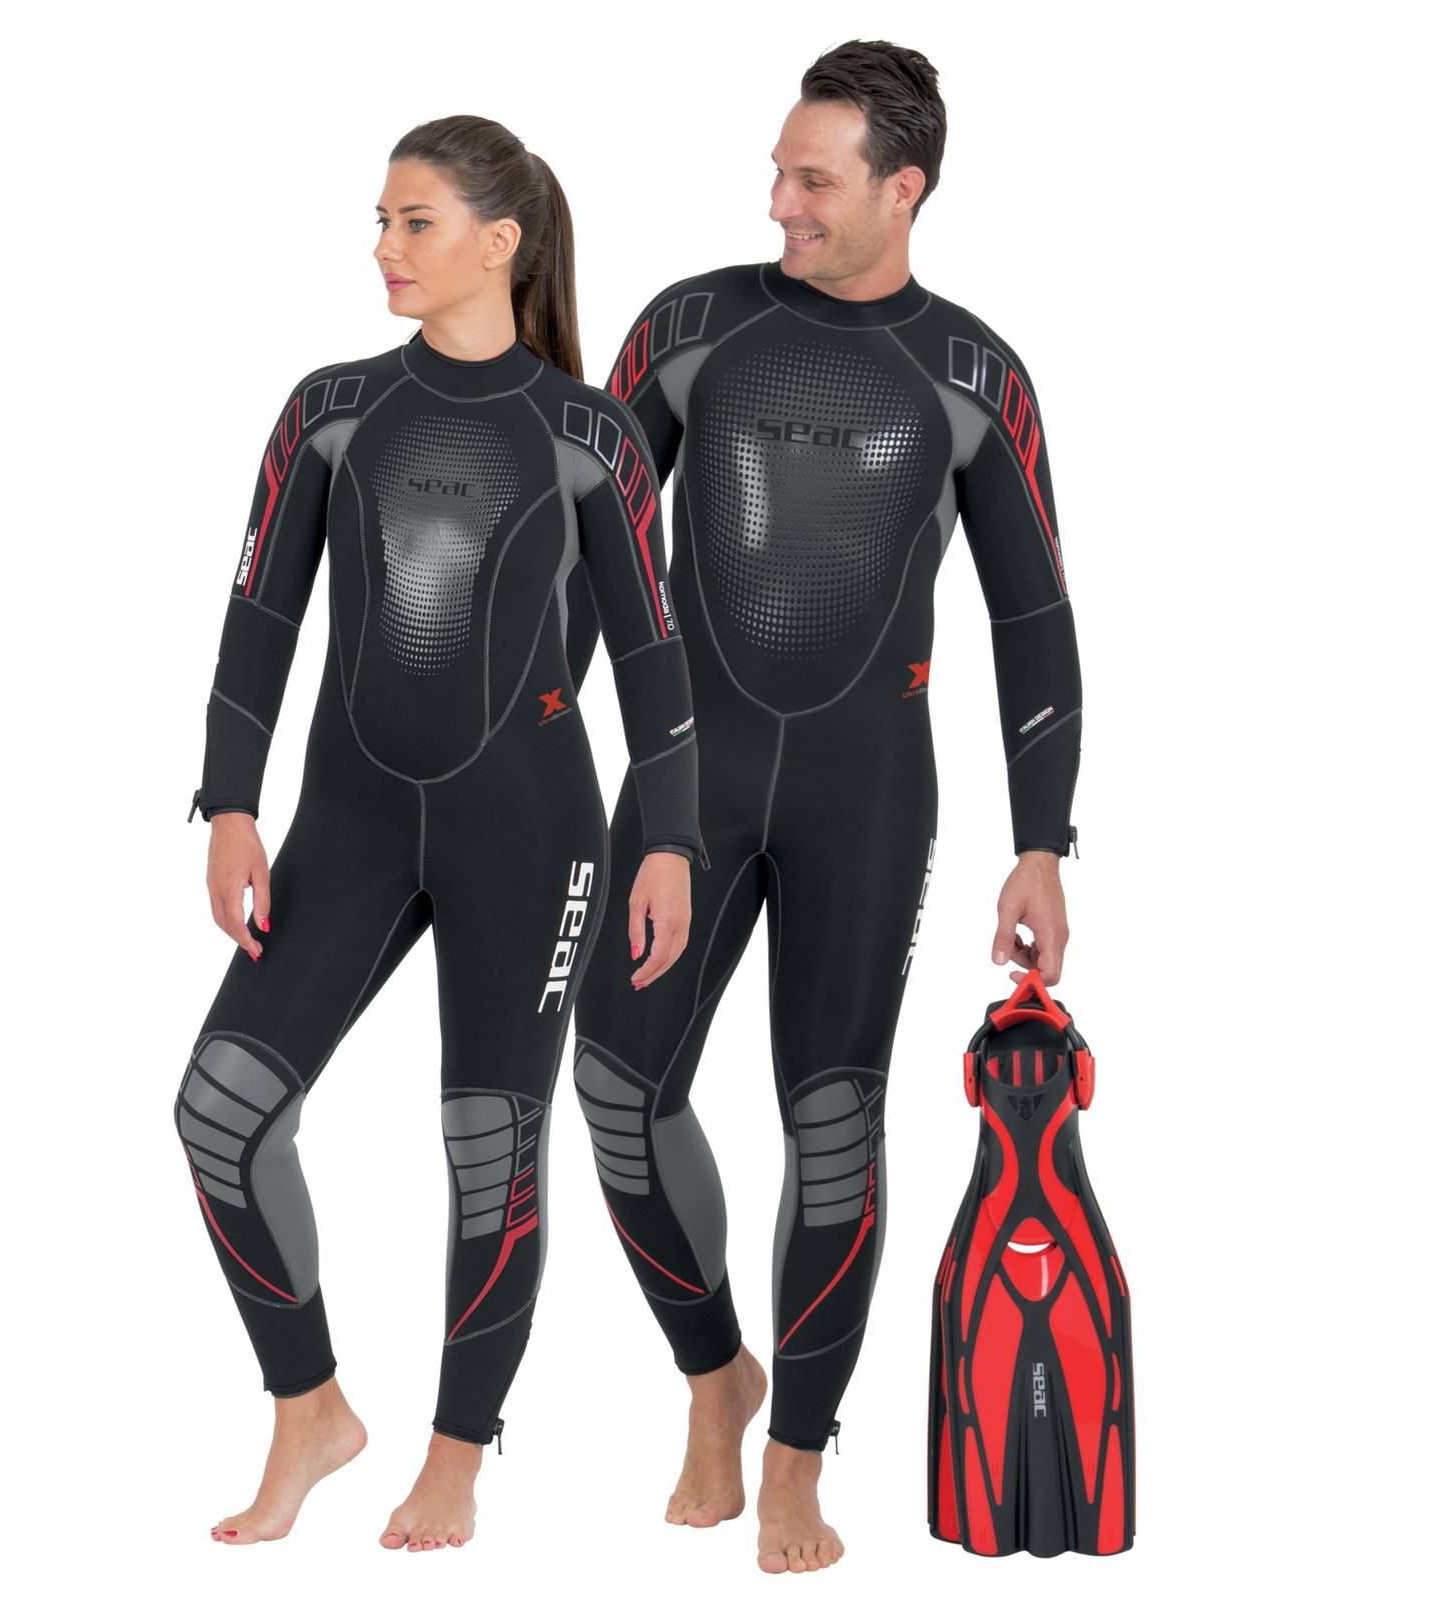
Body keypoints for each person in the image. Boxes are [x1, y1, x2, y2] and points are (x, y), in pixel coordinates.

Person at [564, 41, 1083, 1574]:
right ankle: (713, 1374)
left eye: (814, 179)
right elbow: (587, 553)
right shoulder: (691, 328)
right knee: (617, 1086)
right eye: (777, 171)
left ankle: (796, 1454)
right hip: (690, 784)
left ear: (901, 188)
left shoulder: (975, 375)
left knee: (833, 1122)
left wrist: (1041, 840)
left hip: (868, 794)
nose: (779, 203)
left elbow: (1035, 616)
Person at [176, 114, 699, 1553]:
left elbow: (653, 659)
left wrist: (670, 843)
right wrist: (231, 803)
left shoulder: (588, 434)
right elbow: (260, 616)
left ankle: (458, 1451)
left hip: (532, 833)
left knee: (492, 1144)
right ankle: (310, 1408)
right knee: (219, 1110)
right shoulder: (330, 410)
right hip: (347, 822)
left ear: (498, 243)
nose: (385, 247)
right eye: (382, 220)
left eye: (414, 222)